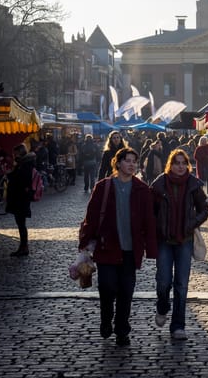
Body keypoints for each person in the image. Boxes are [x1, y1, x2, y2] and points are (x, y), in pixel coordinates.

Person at [79, 147, 157, 346]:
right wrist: (85, 242)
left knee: (126, 291)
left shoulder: (142, 189)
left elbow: (149, 220)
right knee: (106, 287)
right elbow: (91, 217)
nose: (131, 164)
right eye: (127, 160)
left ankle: (122, 330)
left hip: (131, 250)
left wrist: (151, 248)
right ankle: (106, 319)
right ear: (118, 163)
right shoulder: (103, 186)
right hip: (107, 247)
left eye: (134, 161)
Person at [151, 149, 208, 340]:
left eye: (183, 163)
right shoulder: (159, 184)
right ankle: (162, 306)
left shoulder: (193, 184)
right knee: (163, 281)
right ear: (170, 164)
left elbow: (205, 209)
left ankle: (178, 325)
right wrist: (156, 228)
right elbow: (151, 212)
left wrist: (192, 224)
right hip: (164, 240)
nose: (180, 166)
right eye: (176, 163)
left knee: (181, 284)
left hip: (184, 239)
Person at [5, 143, 36, 257]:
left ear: (20, 153)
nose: (14, 155)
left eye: (15, 153)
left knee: (21, 224)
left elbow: (21, 181)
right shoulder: (23, 164)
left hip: (21, 199)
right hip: (20, 198)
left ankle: (24, 247)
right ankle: (23, 246)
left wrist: (12, 174)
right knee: (20, 223)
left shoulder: (25, 164)